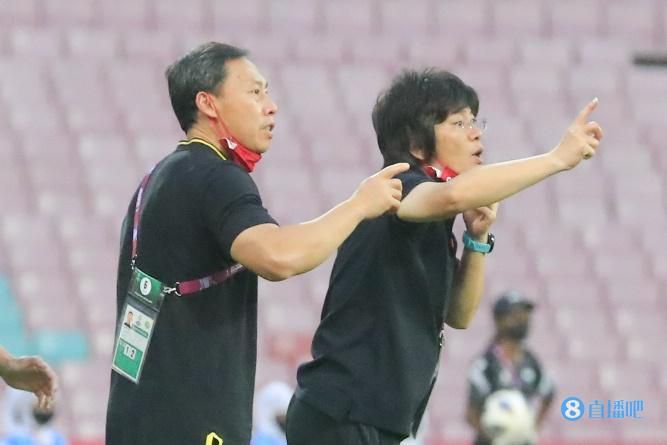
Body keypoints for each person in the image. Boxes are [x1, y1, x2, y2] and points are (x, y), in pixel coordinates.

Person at [105, 42, 408, 445]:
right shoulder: (216, 176)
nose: (271, 106)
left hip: (137, 416)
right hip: (193, 421)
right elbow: (277, 257)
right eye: (255, 92)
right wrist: (358, 205)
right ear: (208, 103)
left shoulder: (157, 179)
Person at [286, 69, 602, 445]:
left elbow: (460, 314)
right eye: (459, 122)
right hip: (344, 414)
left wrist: (477, 239)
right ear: (417, 145)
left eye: (474, 120)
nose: (476, 132)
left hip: (374, 419)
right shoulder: (397, 184)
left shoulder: (434, 218)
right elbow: (453, 196)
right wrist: (557, 159)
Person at [465, 291, 555, 445]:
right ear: (500, 320)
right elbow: (471, 414)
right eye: (516, 314)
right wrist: (495, 437)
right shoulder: (485, 365)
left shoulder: (532, 362)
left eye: (526, 314)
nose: (524, 319)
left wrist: (532, 428)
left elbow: (549, 393)